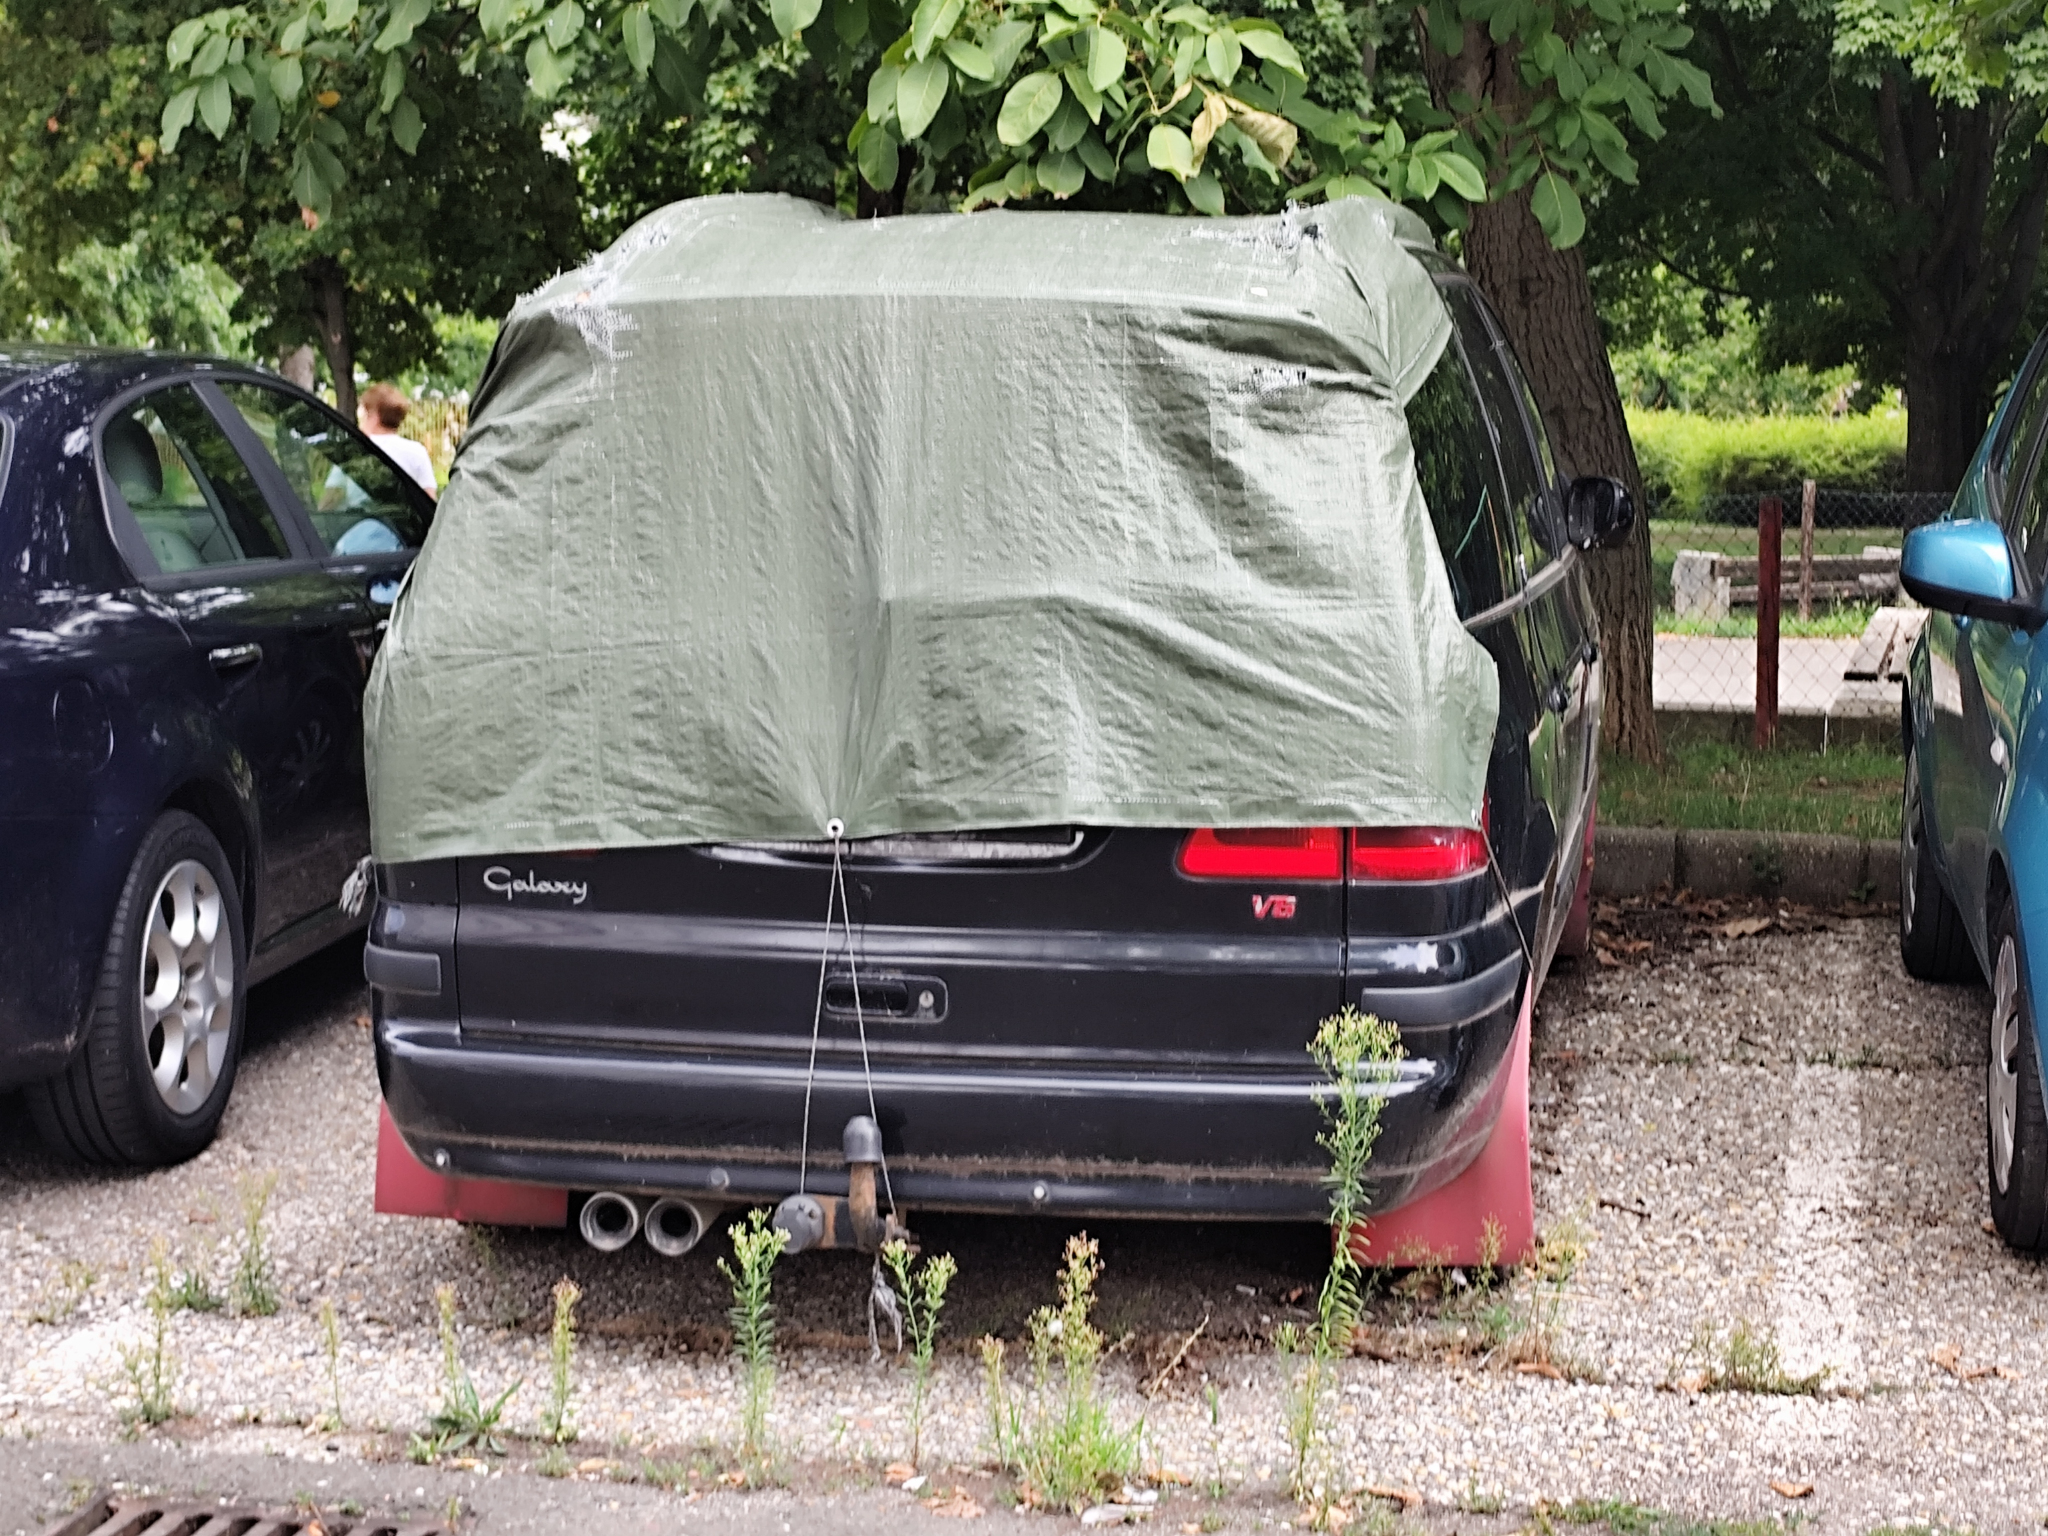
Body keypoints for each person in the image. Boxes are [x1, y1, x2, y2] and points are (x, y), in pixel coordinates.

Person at [356, 382, 439, 500]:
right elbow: (429, 498)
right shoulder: (417, 451)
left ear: (374, 417)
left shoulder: (356, 449)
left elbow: (333, 496)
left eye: (363, 415)